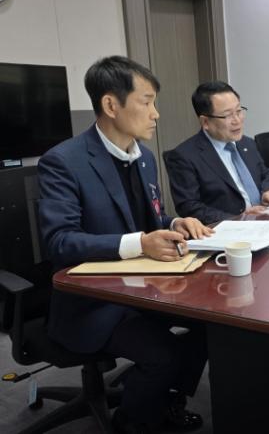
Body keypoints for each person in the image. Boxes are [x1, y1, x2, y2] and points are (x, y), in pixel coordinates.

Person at [38, 56, 213, 433]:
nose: (156, 114)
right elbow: (60, 241)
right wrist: (141, 243)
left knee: (210, 326)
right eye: (146, 102)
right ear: (110, 104)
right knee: (162, 355)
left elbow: (148, 221)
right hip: (95, 301)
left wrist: (175, 223)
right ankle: (131, 423)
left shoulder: (144, 158)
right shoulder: (64, 162)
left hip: (145, 288)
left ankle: (168, 400)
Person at [165, 81, 269, 224]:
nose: (237, 120)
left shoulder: (248, 143)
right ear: (205, 122)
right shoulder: (184, 157)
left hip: (267, 221)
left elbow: (266, 174)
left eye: (239, 111)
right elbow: (190, 207)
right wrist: (239, 218)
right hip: (229, 230)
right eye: (227, 115)